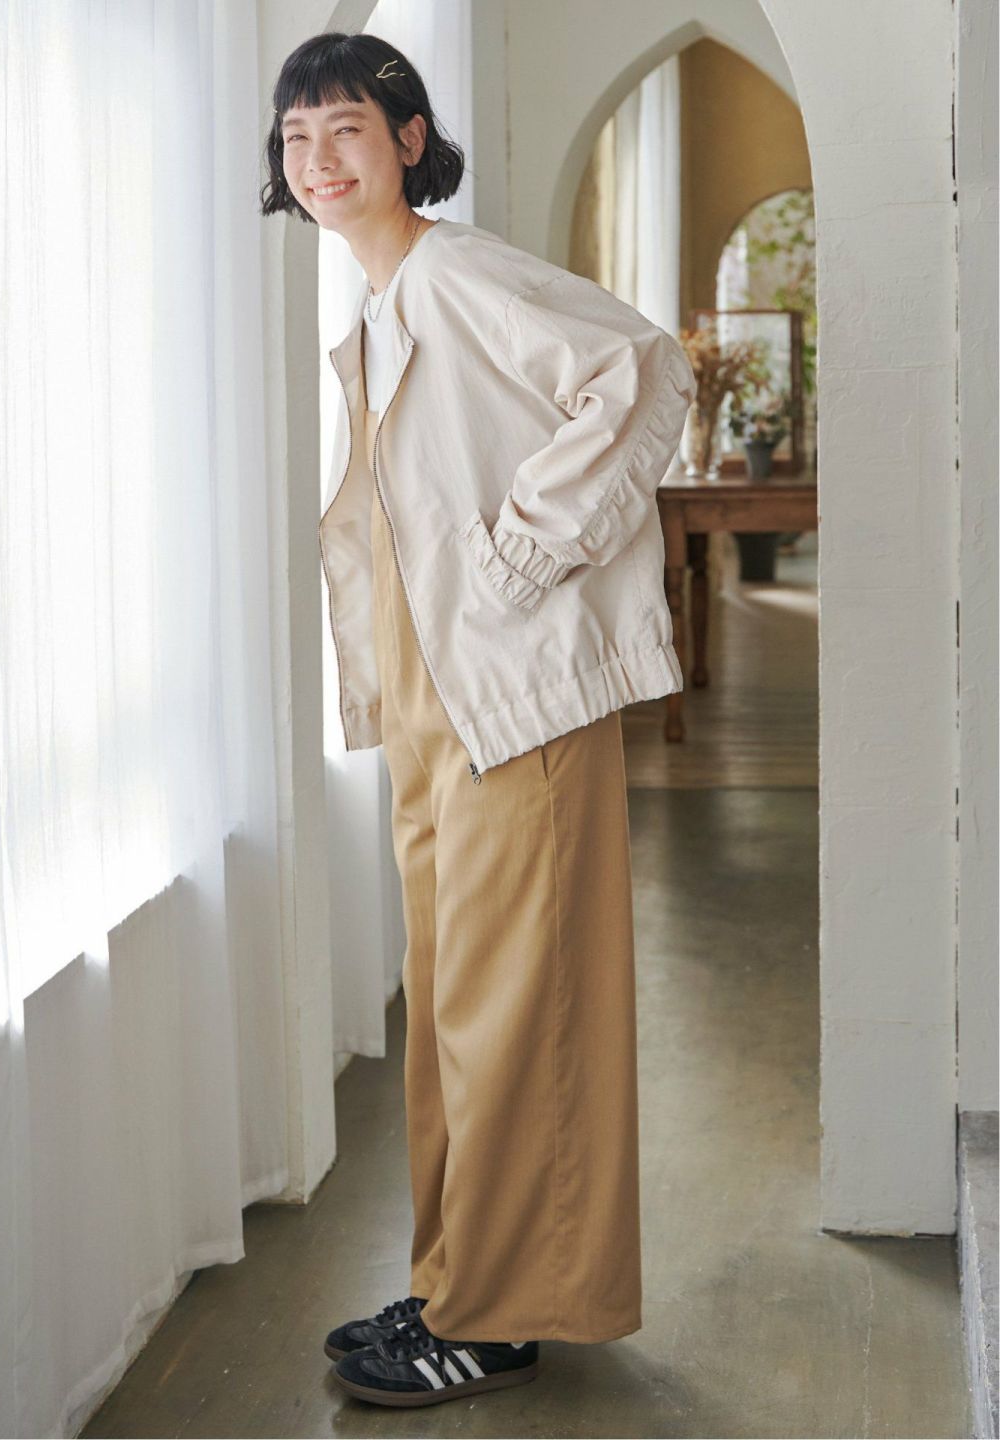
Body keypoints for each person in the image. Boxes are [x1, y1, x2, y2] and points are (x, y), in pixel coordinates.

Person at [260, 31, 695, 1411]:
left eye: (345, 128)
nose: (319, 159)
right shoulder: (382, 306)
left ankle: (498, 1317)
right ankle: (459, 1281)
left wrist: (524, 554)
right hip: (437, 715)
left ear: (407, 138)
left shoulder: (454, 273)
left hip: (513, 706)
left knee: (514, 1015)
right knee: (458, 1012)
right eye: (295, 138)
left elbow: (639, 370)